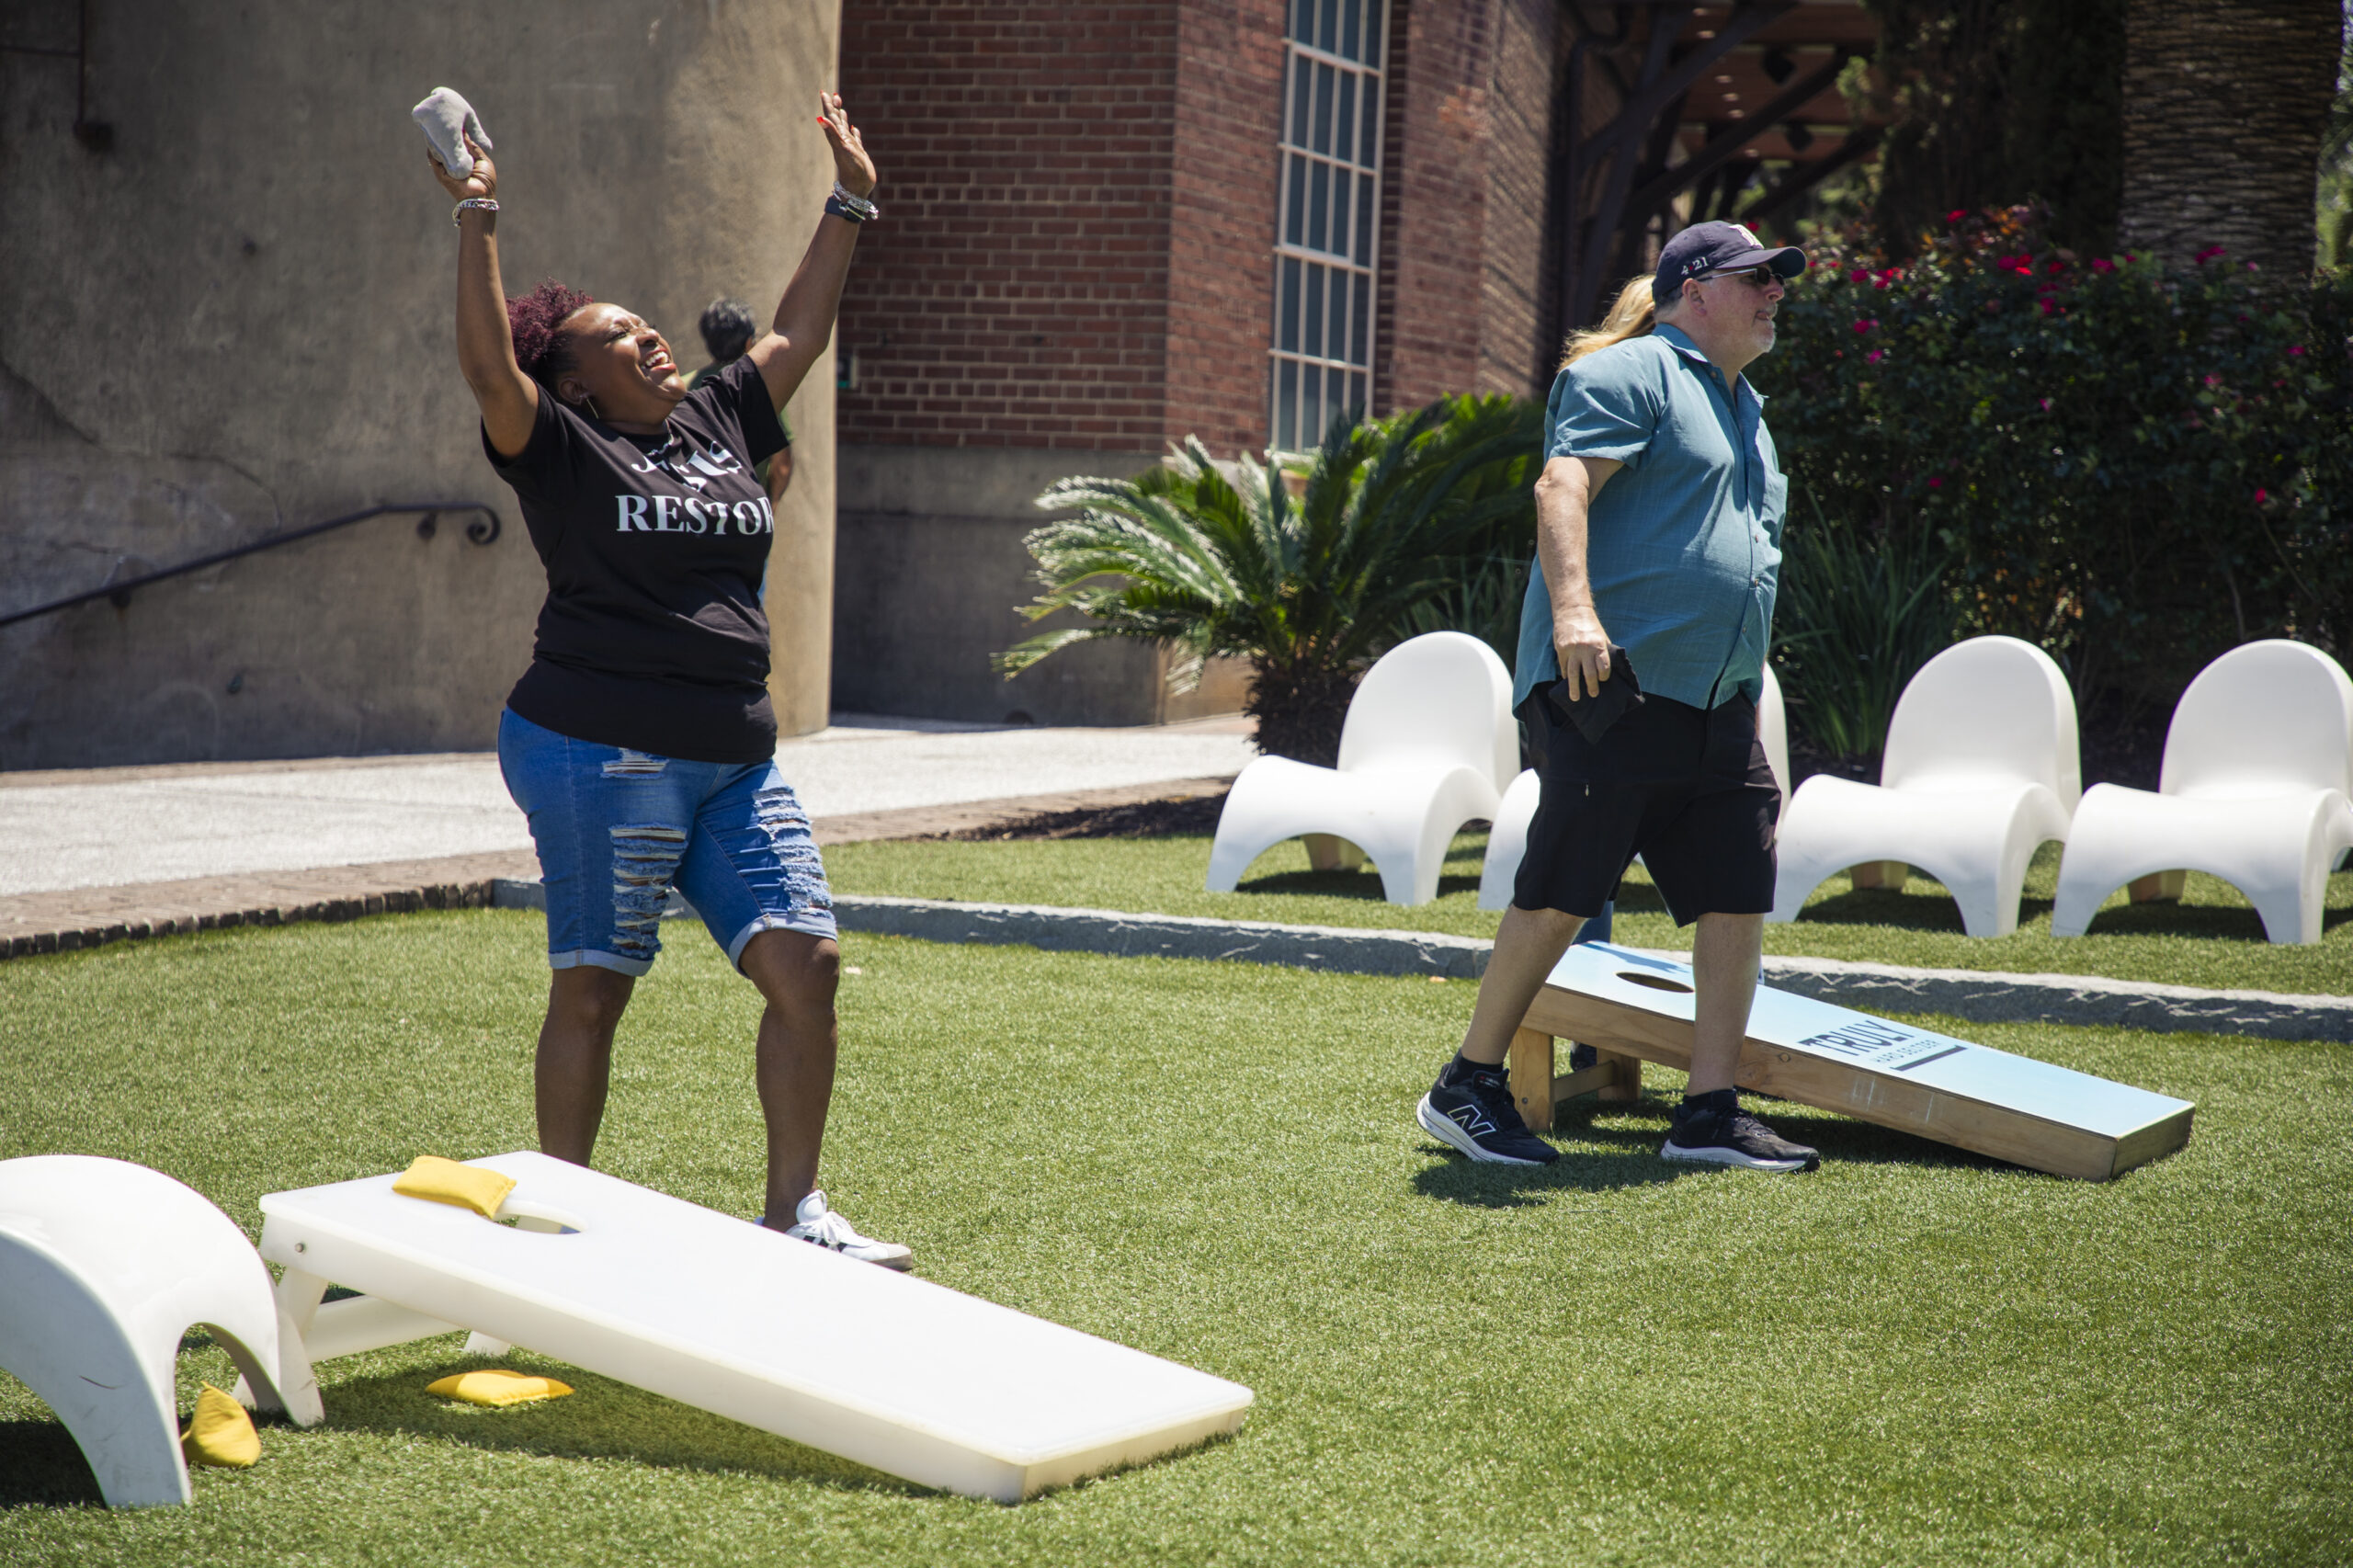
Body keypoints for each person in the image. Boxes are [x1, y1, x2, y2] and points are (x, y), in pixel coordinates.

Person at [427, 94, 913, 1263]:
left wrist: (849, 196)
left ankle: (795, 1213)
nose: (651, 336)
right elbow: (491, 363)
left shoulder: (717, 416)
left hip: (735, 755)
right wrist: (478, 211)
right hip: (598, 744)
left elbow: (797, 331)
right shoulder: (557, 440)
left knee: (808, 962)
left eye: (651, 324)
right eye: (619, 334)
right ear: (577, 379)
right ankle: (558, 1222)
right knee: (596, 984)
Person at [1415, 221, 1821, 1174]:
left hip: (1717, 699)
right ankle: (1466, 1084)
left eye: (1778, 280)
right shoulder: (1630, 373)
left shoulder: (1747, 407)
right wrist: (1574, 616)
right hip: (1614, 681)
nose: (1774, 293)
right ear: (1693, 290)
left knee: (1734, 891)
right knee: (1564, 885)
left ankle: (1708, 1110)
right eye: (1755, 278)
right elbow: (1561, 487)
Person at [691, 299, 793, 506]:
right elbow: (782, 464)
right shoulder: (762, 390)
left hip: (695, 508)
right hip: (745, 510)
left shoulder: (683, 387)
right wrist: (771, 503)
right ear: (748, 343)